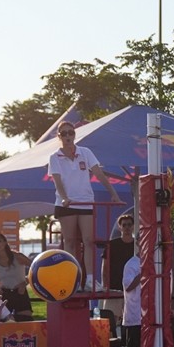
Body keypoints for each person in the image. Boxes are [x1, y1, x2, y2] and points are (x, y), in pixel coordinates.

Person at [48, 122, 123, 289]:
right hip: (67, 204)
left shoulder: (85, 152)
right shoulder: (54, 157)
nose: (68, 136)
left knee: (89, 241)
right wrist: (65, 198)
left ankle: (89, 280)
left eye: (70, 133)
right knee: (70, 242)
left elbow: (99, 173)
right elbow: (57, 180)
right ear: (59, 137)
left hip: (85, 202)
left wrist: (113, 193)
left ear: (74, 134)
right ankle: (72, 279)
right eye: (64, 134)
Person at [0, 232, 33, 321]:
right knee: (5, 322)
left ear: (5, 242)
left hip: (21, 292)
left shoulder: (17, 256)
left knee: (26, 320)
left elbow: (36, 269)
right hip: (5, 294)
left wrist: (25, 283)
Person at [101, 213, 136, 324]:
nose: (127, 228)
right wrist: (105, 286)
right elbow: (104, 267)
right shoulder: (111, 245)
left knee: (132, 320)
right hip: (114, 288)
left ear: (133, 226)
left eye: (129, 225)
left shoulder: (138, 245)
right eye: (124, 225)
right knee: (111, 320)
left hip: (133, 289)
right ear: (120, 227)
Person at [121, 254, 142, 347]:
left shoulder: (157, 262)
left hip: (150, 317)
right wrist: (142, 274)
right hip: (135, 317)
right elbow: (128, 286)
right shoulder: (132, 264)